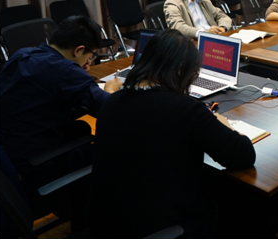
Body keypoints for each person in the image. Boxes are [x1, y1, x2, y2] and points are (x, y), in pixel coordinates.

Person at [88, 29, 256, 238]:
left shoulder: (112, 101)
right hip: (163, 228)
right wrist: (226, 125)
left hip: (106, 225)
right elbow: (243, 156)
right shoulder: (186, 109)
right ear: (181, 70)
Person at [0, 15, 122, 194]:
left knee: (81, 128)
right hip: (33, 163)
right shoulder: (65, 71)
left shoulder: (21, 55)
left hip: (7, 150)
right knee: (113, 151)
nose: (89, 61)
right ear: (78, 50)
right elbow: (110, 109)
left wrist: (76, 69)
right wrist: (110, 89)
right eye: (90, 55)